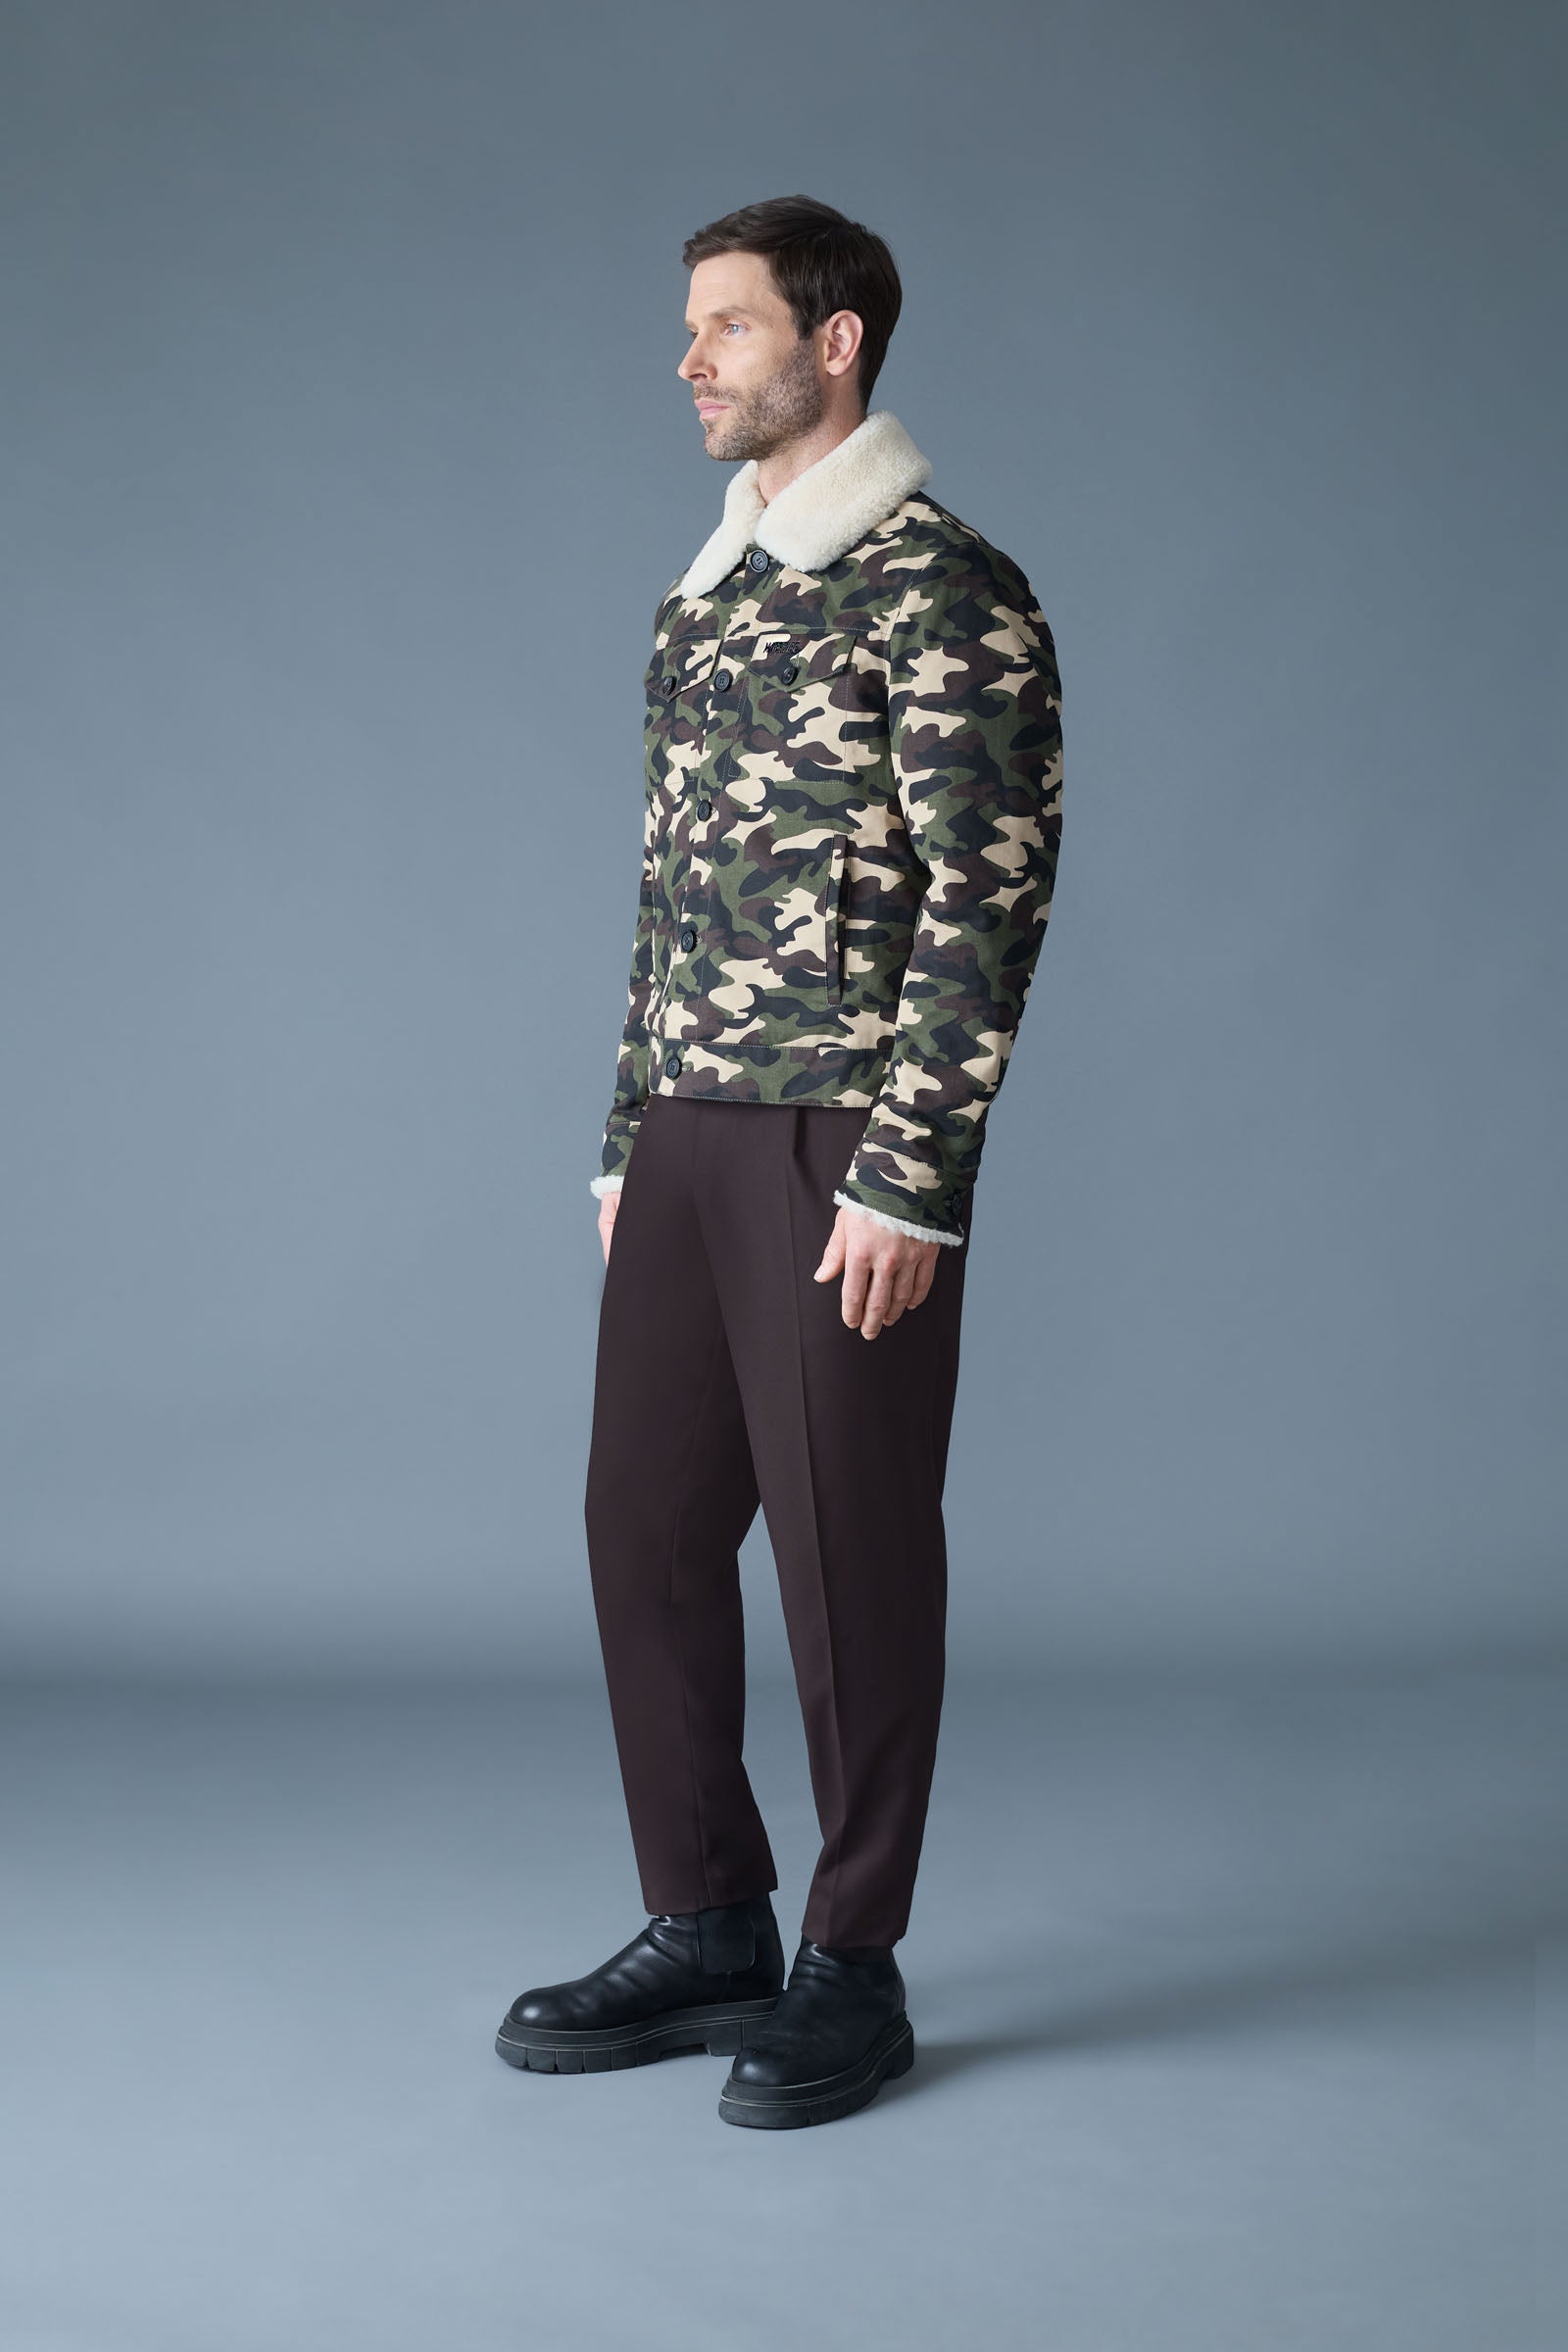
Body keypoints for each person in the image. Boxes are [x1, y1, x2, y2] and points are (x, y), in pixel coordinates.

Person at [497, 194, 1064, 2130]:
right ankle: (709, 1917)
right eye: (689, 327)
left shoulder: (943, 590)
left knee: (847, 1551)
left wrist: (914, 1171)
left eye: (725, 326)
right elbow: (666, 899)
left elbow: (987, 899)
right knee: (640, 1529)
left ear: (835, 343)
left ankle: (851, 1958)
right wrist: (622, 1136)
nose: (689, 360)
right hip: (688, 1128)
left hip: (845, 1135)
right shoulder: (707, 599)